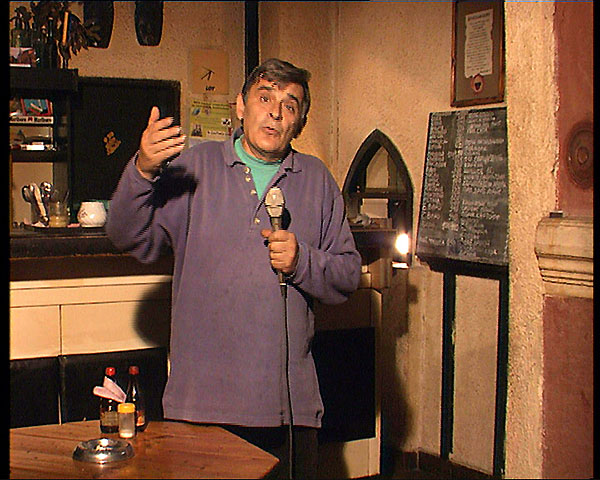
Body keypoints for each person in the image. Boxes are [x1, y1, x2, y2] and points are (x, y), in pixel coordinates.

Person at [106, 58, 361, 479]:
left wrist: (302, 261)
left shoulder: (316, 180)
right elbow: (125, 234)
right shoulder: (195, 167)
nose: (275, 113)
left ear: (299, 122)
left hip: (288, 411)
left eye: (290, 105)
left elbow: (348, 275)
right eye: (265, 98)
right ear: (240, 106)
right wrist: (143, 169)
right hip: (200, 408)